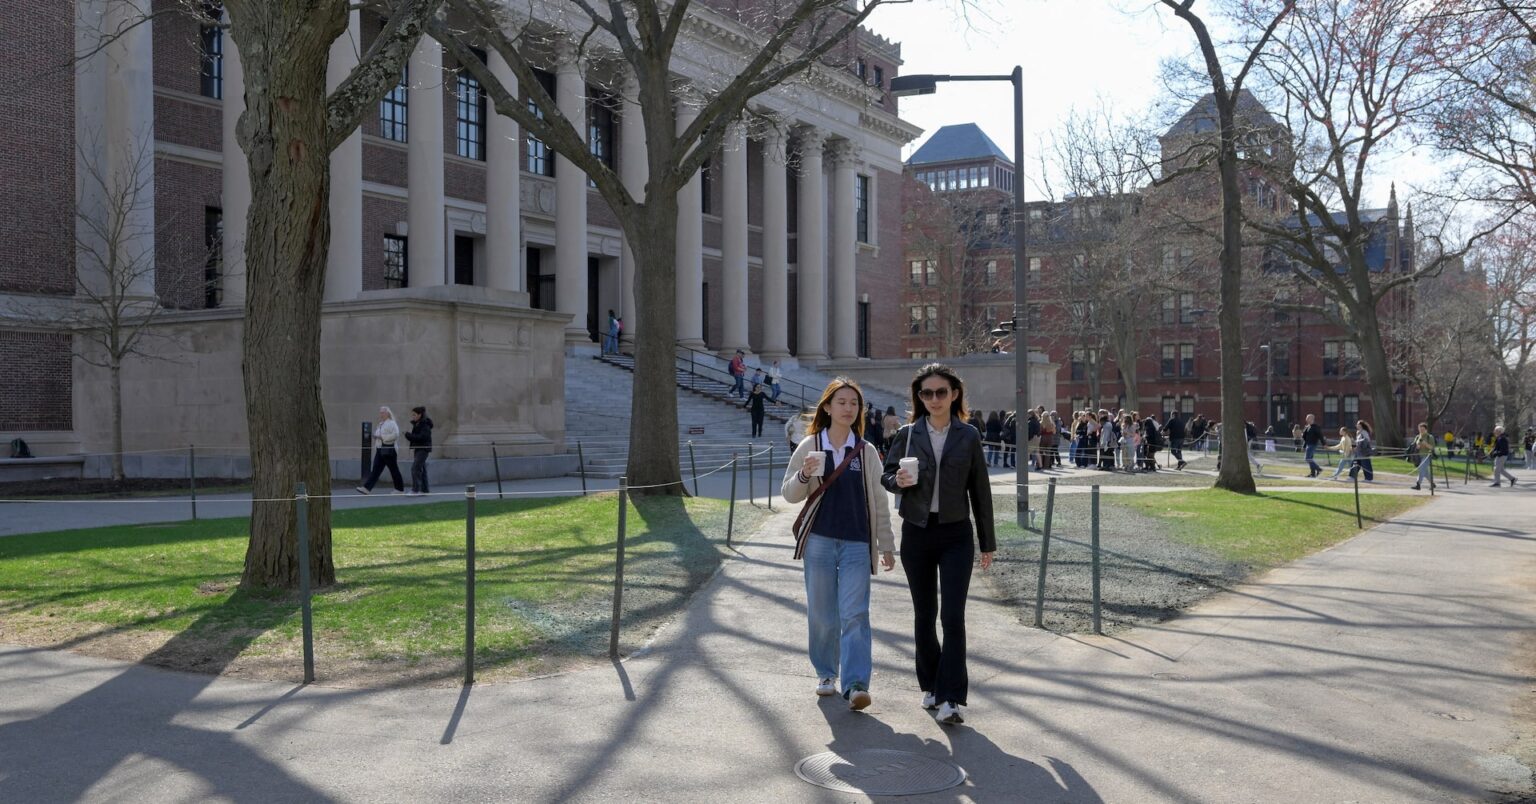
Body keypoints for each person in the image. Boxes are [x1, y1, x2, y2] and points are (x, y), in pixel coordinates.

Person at [881, 364, 996, 726]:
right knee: (924, 614)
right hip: (916, 531)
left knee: (953, 617)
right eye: (926, 393)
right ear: (919, 397)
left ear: (955, 394)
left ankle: (951, 698)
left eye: (940, 392)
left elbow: (981, 491)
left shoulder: (968, 435)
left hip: (955, 534)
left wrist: (987, 541)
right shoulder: (908, 434)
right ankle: (929, 685)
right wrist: (897, 481)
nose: (934, 399)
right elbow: (886, 474)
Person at [781, 378, 895, 710]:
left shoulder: (866, 450)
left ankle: (857, 683)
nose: (848, 408)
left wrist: (886, 545)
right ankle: (826, 673)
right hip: (819, 541)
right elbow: (789, 494)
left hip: (858, 543)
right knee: (821, 613)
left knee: (855, 613)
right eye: (841, 402)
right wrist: (804, 474)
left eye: (854, 403)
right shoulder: (810, 445)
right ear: (827, 407)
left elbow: (878, 500)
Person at [357, 406, 405, 495]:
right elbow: (379, 434)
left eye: (383, 412)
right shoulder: (380, 424)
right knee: (376, 469)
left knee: (393, 469)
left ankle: (399, 489)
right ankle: (366, 488)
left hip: (389, 450)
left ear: (387, 413)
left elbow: (396, 435)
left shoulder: (392, 423)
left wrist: (382, 437)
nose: (381, 414)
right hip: (380, 449)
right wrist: (376, 436)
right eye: (380, 412)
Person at [403, 406, 433, 496]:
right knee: (422, 469)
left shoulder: (425, 425)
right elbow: (417, 437)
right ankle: (425, 490)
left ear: (420, 415)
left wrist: (408, 435)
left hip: (423, 449)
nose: (413, 416)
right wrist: (409, 435)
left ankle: (415, 490)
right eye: (412, 415)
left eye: (414, 415)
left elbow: (422, 437)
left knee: (415, 468)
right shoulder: (418, 424)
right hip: (419, 448)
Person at [1411, 422, 1437, 491]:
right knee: (1425, 472)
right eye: (1420, 429)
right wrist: (1418, 446)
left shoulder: (1430, 437)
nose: (1421, 431)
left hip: (1427, 456)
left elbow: (1432, 448)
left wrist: (1425, 444)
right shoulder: (1417, 437)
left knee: (1421, 468)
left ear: (1426, 429)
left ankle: (1418, 484)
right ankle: (1432, 484)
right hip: (1418, 457)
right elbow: (1415, 447)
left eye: (1422, 429)